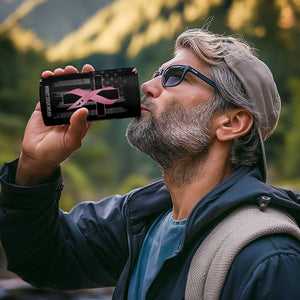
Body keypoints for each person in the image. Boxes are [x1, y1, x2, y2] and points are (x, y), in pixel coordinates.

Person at [1, 28, 300, 300]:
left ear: (231, 123)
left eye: (176, 76)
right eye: (158, 74)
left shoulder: (269, 259)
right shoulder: (140, 220)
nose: (147, 85)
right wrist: (34, 167)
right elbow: (43, 257)